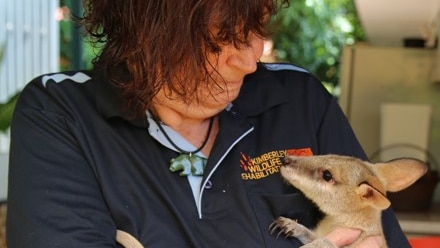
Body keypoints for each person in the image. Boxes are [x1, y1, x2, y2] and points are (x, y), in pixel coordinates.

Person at [6, 0, 408, 247]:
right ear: (146, 30)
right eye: (225, 35)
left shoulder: (299, 100)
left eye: (258, 27)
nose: (250, 60)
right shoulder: (63, 114)